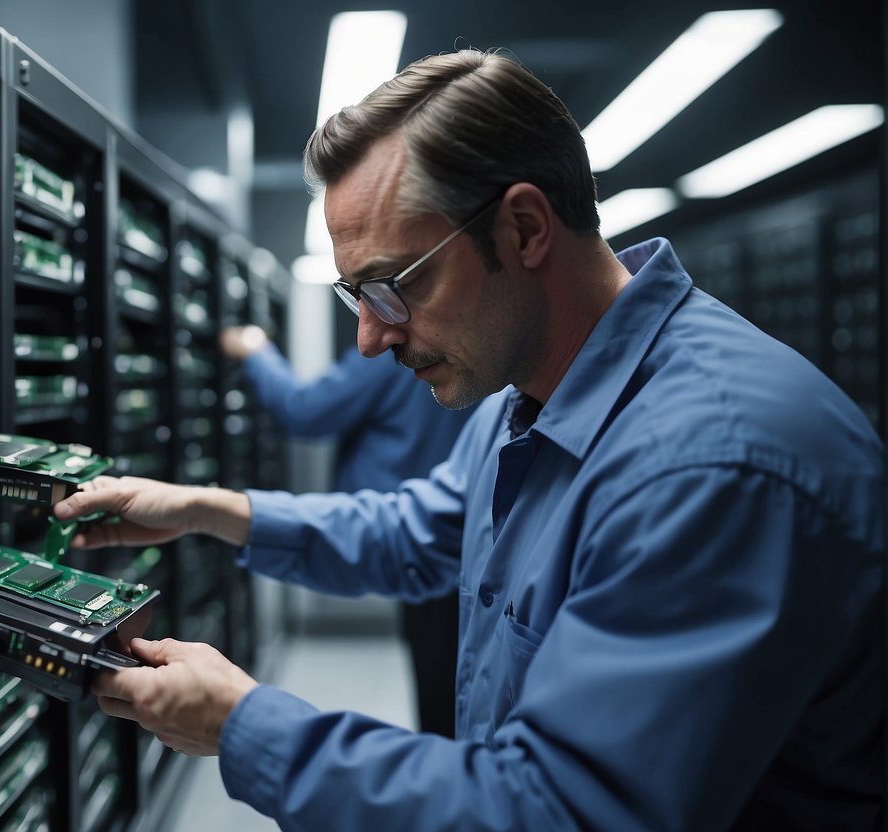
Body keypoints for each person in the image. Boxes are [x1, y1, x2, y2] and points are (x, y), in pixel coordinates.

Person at [55, 48, 885, 830]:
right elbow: (424, 532)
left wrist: (243, 727)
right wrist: (205, 509)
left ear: (523, 229)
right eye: (356, 297)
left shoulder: (710, 466)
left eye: (392, 286)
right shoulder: (530, 391)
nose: (371, 341)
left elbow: (556, 813)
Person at [219, 322, 476, 738]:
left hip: (412, 537)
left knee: (440, 683)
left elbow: (304, 410)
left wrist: (256, 350)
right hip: (460, 539)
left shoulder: (400, 347)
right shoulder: (476, 350)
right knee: (455, 688)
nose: (368, 330)